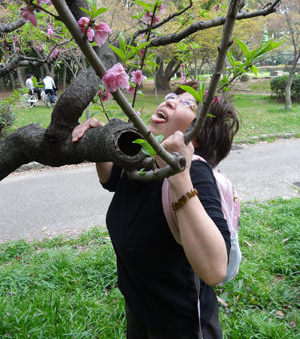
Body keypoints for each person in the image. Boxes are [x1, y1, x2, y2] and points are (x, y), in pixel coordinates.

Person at [72, 81, 240, 339]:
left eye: (188, 103)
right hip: (140, 307)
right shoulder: (143, 157)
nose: (170, 100)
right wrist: (100, 142)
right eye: (173, 96)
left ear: (196, 136)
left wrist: (179, 176)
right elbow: (111, 181)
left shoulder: (195, 173)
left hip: (181, 324)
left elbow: (215, 269)